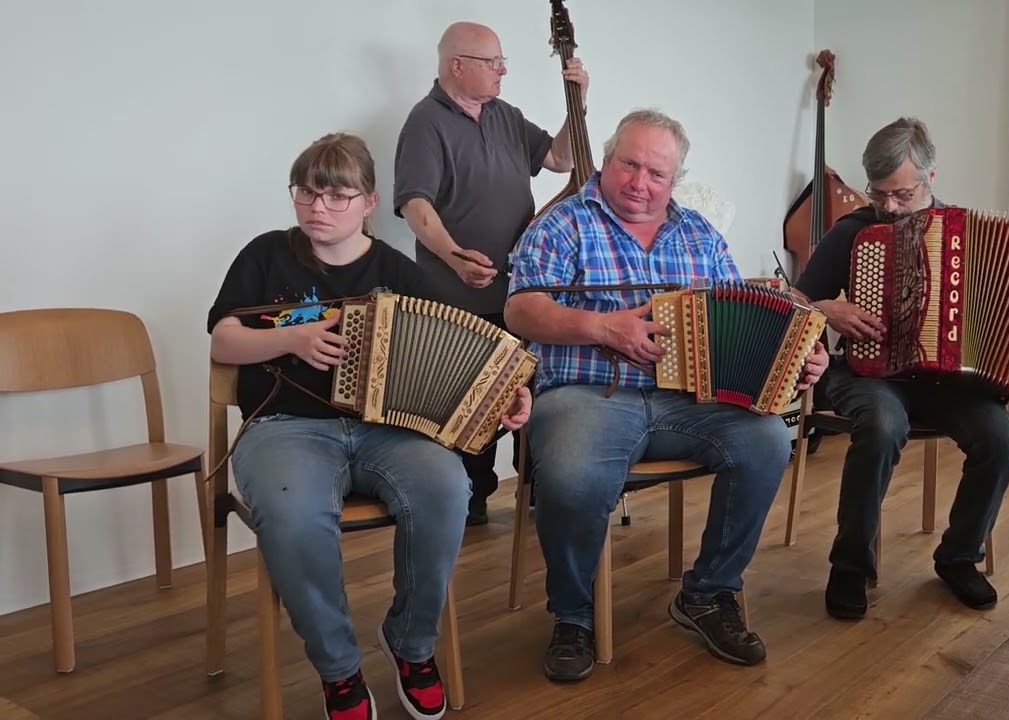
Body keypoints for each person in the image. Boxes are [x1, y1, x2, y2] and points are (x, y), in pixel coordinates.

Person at [208, 132, 532, 720]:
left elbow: (464, 351)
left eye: (336, 195)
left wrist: (509, 395)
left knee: (446, 488)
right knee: (293, 514)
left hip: (388, 429)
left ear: (369, 202)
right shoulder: (267, 254)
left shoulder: (395, 269)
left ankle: (411, 645)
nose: (317, 208)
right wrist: (293, 337)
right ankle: (339, 670)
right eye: (306, 193)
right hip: (286, 426)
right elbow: (224, 340)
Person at [504, 108, 830, 682]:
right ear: (606, 160)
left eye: (657, 173)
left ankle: (707, 593)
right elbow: (520, 309)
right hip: (587, 392)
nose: (640, 182)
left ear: (673, 181)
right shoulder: (560, 225)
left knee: (764, 441)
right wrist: (606, 328)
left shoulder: (700, 233)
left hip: (688, 400)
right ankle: (574, 616)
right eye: (629, 164)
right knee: (576, 474)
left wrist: (799, 355)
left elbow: (748, 314)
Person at [790, 117, 1009, 619]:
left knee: (1001, 439)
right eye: (879, 193)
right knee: (882, 428)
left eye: (901, 194)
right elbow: (796, 299)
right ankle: (850, 567)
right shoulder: (854, 232)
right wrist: (825, 308)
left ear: (931, 176)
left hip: (950, 383)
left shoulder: (968, 233)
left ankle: (958, 557)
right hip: (870, 374)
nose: (889, 206)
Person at [392, 20, 589, 526]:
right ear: (457, 66)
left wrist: (577, 103)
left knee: (531, 388)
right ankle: (470, 502)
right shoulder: (424, 122)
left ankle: (544, 487)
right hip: (457, 292)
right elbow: (415, 205)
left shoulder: (505, 115)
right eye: (492, 61)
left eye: (503, 61)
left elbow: (562, 157)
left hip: (522, 291)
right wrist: (454, 255)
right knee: (471, 402)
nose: (503, 69)